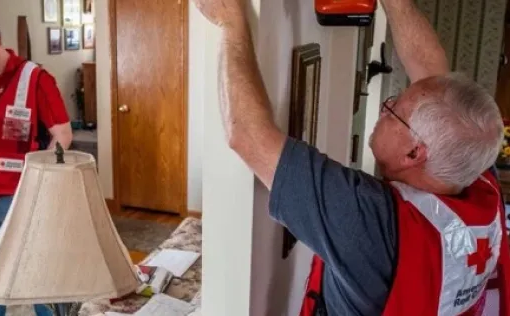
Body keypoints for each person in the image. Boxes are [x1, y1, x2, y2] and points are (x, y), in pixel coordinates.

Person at [192, 0, 510, 314]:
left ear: (415, 152)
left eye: (393, 110)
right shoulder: (476, 177)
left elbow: (247, 135)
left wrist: (230, 22)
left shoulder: (375, 224)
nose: (385, 107)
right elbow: (431, 75)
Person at [0, 10, 72, 316]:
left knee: (38, 280)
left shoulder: (34, 79)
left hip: (19, 200)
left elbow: (63, 136)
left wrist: (39, 186)